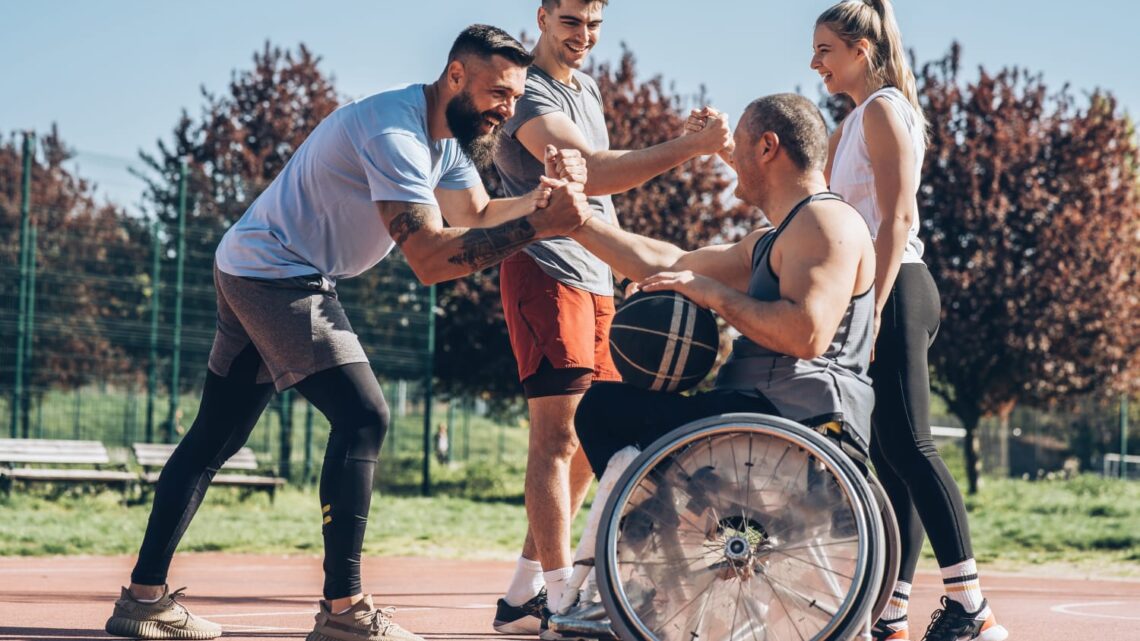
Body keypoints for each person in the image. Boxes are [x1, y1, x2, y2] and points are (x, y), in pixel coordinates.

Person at [103, 25, 593, 641]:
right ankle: (344, 611)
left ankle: (142, 602)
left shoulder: (444, 137)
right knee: (364, 417)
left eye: (516, 96)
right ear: (456, 77)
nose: (508, 109)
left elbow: (473, 214)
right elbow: (429, 259)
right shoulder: (394, 132)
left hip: (254, 264)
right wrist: (542, 228)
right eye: (499, 92)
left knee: (214, 436)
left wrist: (542, 200)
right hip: (279, 276)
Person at [555, 94, 875, 620]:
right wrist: (577, 223)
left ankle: (621, 590)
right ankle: (644, 581)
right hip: (762, 414)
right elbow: (670, 262)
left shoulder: (825, 224)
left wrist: (713, 295)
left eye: (740, 146)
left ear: (768, 147)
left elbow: (808, 334)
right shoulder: (780, 235)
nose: (732, 162)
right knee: (625, 408)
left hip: (789, 421)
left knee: (603, 410)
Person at [490, 0, 733, 633]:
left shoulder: (588, 88)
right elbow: (594, 174)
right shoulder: (529, 91)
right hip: (546, 269)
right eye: (572, 22)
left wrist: (625, 267)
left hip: (597, 277)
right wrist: (690, 146)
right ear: (542, 16)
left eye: (595, 25)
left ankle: (523, 596)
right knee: (558, 437)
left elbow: (598, 194)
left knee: (592, 441)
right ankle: (560, 595)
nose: (584, 37)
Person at [811, 2, 1008, 640]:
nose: (814, 62)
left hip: (897, 288)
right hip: (882, 291)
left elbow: (894, 221)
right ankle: (892, 608)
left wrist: (870, 306)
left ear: (861, 50)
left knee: (912, 446)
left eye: (825, 50)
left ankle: (971, 607)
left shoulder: (884, 110)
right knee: (893, 454)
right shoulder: (854, 122)